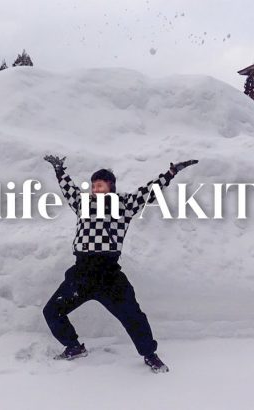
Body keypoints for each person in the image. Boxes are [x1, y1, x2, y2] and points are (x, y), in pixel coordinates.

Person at [42, 154, 198, 373]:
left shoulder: (124, 205)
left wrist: (170, 173)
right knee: (52, 311)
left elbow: (148, 192)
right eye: (94, 185)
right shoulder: (82, 203)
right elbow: (68, 188)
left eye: (101, 184)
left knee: (133, 316)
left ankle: (149, 354)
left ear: (111, 186)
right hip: (81, 274)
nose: (96, 188)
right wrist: (59, 170)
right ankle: (74, 346)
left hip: (109, 276)